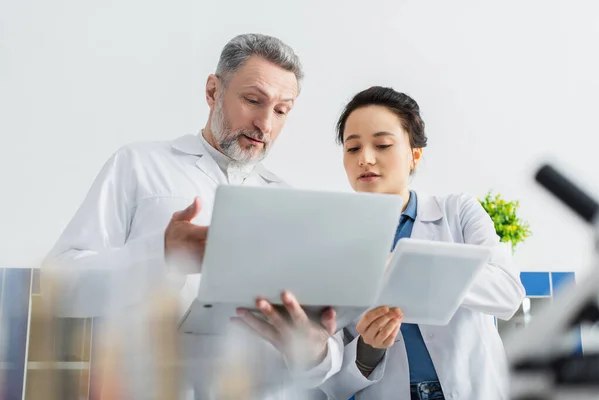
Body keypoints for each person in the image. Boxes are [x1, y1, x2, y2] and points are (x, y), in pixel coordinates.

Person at [41, 33, 341, 399]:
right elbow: (60, 288)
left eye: (281, 111)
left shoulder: (290, 203)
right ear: (213, 91)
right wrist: (163, 254)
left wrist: (314, 352)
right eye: (252, 100)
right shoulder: (139, 165)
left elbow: (315, 367)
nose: (265, 124)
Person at [241, 86, 526, 399]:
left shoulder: (457, 212)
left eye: (382, 144)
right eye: (352, 149)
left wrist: (406, 267)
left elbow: (508, 294)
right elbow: (328, 384)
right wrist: (367, 353)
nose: (365, 158)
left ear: (414, 155)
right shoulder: (329, 242)